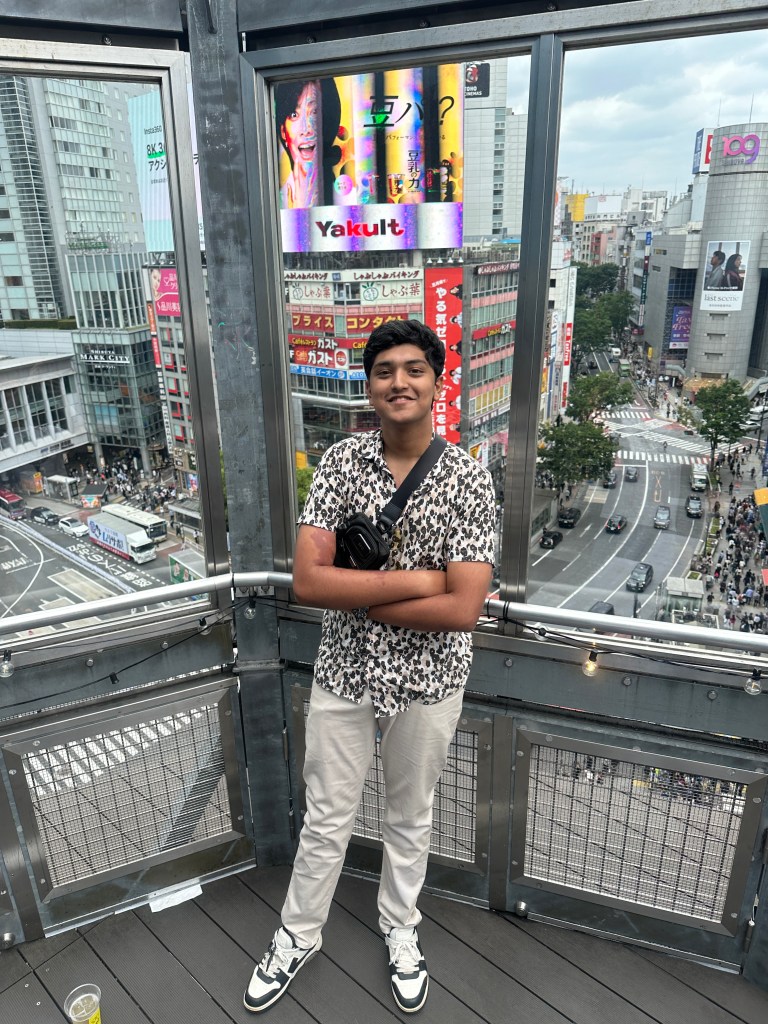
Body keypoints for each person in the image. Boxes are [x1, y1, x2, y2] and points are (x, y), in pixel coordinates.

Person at [243, 320, 495, 1015]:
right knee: (326, 814)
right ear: (369, 385)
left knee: (411, 813)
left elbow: (463, 609)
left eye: (414, 369)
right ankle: (298, 934)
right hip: (345, 669)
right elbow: (309, 582)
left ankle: (400, 926)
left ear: (438, 383)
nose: (399, 382)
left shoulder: (469, 478)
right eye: (385, 371)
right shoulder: (340, 463)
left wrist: (358, 593)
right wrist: (420, 582)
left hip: (430, 679)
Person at [275, 78, 342, 209]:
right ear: (283, 131)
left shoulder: (349, 197)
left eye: (314, 112)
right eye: (294, 115)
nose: (306, 130)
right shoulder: (275, 204)